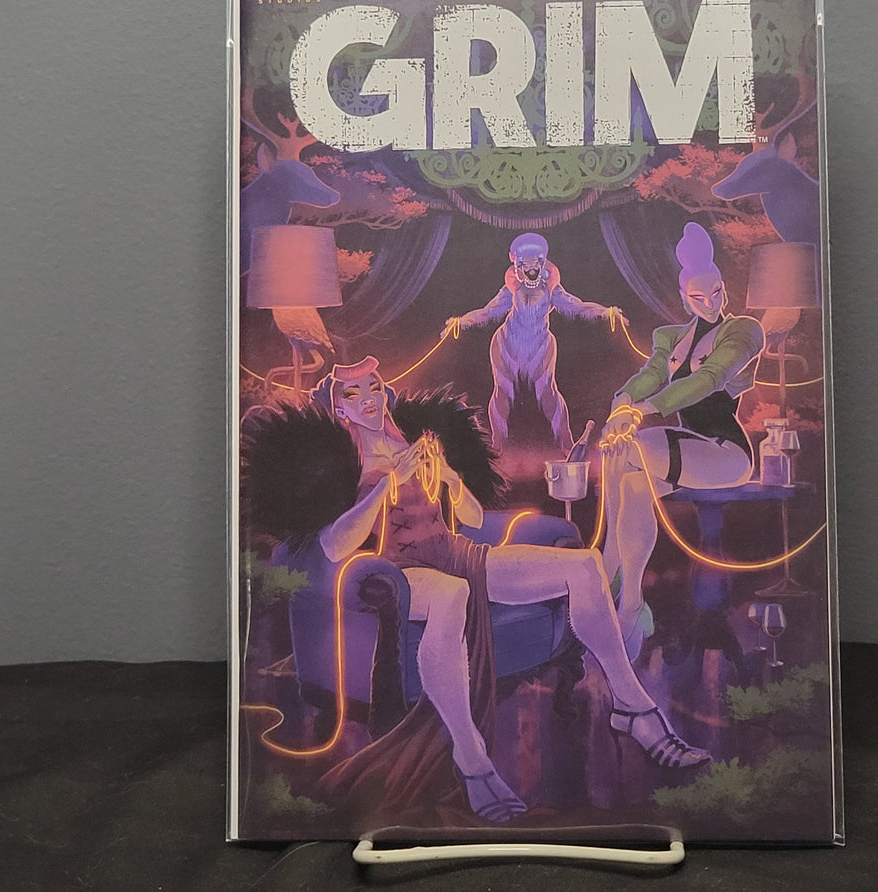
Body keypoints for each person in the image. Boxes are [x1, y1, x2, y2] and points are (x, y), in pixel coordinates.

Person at [314, 355, 710, 825]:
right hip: (405, 570)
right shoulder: (346, 462)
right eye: (353, 393)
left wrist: (450, 479)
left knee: (585, 566)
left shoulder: (413, 446)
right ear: (340, 409)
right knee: (451, 594)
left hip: (457, 552)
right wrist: (387, 486)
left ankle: (631, 705)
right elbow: (334, 545)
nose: (367, 398)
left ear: (386, 393)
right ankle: (472, 758)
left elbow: (474, 518)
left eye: (374, 387)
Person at [601, 223, 764, 656]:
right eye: (698, 297)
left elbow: (709, 379)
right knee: (631, 480)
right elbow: (651, 375)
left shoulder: (743, 331)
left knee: (632, 447)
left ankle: (607, 568)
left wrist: (641, 411)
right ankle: (631, 602)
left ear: (724, 289)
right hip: (687, 444)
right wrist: (621, 401)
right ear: (682, 297)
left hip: (725, 452)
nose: (710, 303)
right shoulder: (669, 337)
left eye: (717, 293)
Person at [443, 232, 622, 455]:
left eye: (534, 262)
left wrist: (606, 312)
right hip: (507, 342)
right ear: (517, 264)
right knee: (502, 392)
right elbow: (488, 311)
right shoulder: (511, 289)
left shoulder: (552, 288)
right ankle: (497, 447)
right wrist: (462, 321)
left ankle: (567, 444)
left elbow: (577, 306)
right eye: (525, 263)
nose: (530, 268)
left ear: (541, 262)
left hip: (540, 345)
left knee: (549, 393)